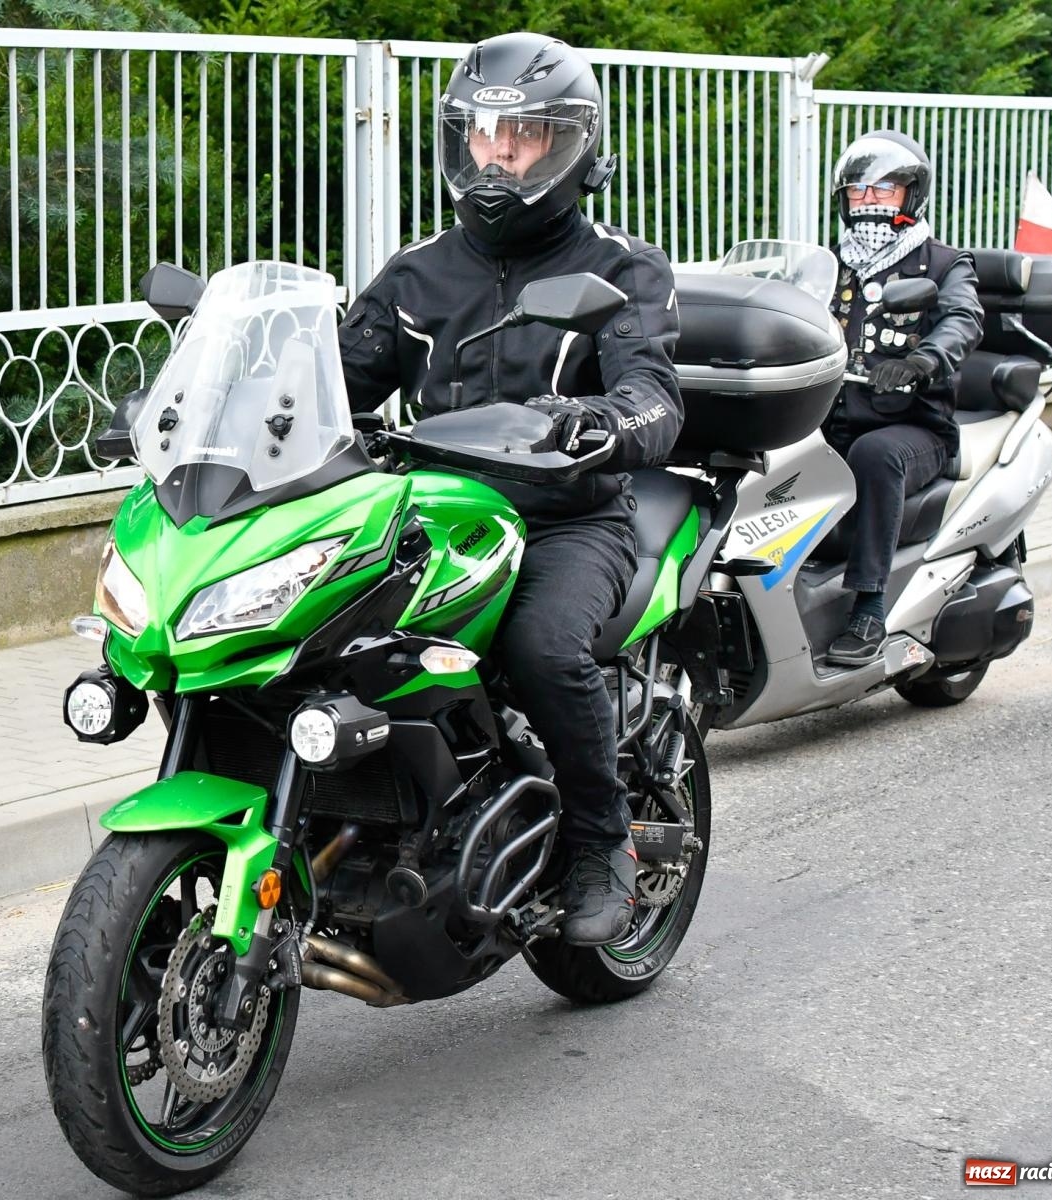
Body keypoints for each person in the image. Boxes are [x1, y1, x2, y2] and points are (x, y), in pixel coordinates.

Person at [338, 32, 684, 946]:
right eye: (481, 135)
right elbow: (334, 383)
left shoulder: (621, 271)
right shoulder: (417, 274)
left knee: (540, 647)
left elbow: (653, 392)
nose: (498, 156)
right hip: (437, 517)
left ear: (570, 145)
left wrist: (605, 423)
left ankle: (598, 845)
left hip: (567, 518)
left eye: (523, 135)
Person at [825, 130, 984, 665]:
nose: (868, 201)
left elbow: (963, 318)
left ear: (910, 195)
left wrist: (923, 361)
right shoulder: (830, 264)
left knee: (876, 455)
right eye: (858, 191)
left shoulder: (942, 263)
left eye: (883, 190)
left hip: (912, 424)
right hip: (833, 414)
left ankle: (869, 607)